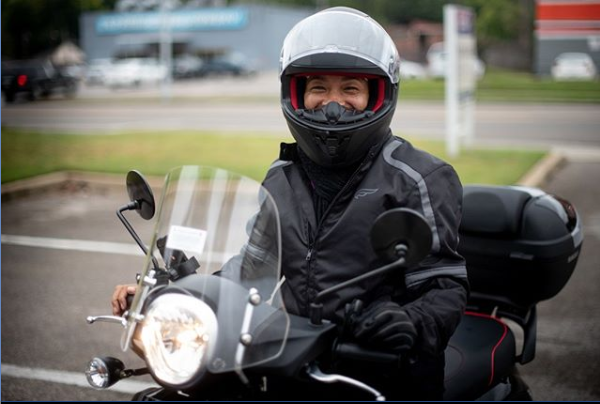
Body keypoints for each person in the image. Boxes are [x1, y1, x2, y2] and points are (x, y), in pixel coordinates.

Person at [113, 6, 468, 400]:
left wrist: (410, 322)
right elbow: (250, 267)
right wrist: (182, 293)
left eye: (350, 88)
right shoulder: (281, 176)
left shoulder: (419, 178)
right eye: (318, 88)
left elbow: (444, 285)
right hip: (291, 365)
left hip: (380, 372)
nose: (332, 104)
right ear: (298, 94)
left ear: (375, 95)